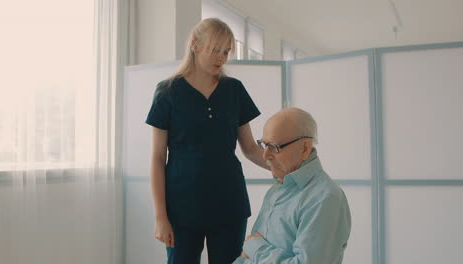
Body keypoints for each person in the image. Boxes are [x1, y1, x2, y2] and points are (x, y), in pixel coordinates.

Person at [145, 18, 268, 264]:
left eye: (226, 52)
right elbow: (158, 158)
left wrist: (285, 168)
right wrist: (161, 216)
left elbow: (251, 149)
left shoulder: (234, 90)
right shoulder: (168, 91)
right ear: (195, 45)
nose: (221, 58)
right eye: (215, 49)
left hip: (228, 204)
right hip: (181, 208)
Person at [234, 108, 352, 264]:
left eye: (274, 147)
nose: (265, 155)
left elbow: (253, 248)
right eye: (264, 145)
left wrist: (255, 248)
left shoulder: (325, 199)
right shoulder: (279, 187)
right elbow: (247, 256)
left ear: (305, 148)